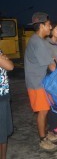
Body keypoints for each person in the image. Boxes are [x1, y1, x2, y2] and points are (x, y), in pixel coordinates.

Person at [24, 12, 57, 152]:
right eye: (48, 24)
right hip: (36, 83)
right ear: (41, 26)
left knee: (45, 108)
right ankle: (42, 139)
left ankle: (46, 133)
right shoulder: (37, 42)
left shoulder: (37, 40)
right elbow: (51, 65)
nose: (50, 27)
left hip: (41, 81)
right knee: (43, 110)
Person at [0, 25, 14, 159]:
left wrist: (4, 58)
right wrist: (4, 59)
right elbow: (10, 65)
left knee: (3, 132)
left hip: (3, 94)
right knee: (2, 133)